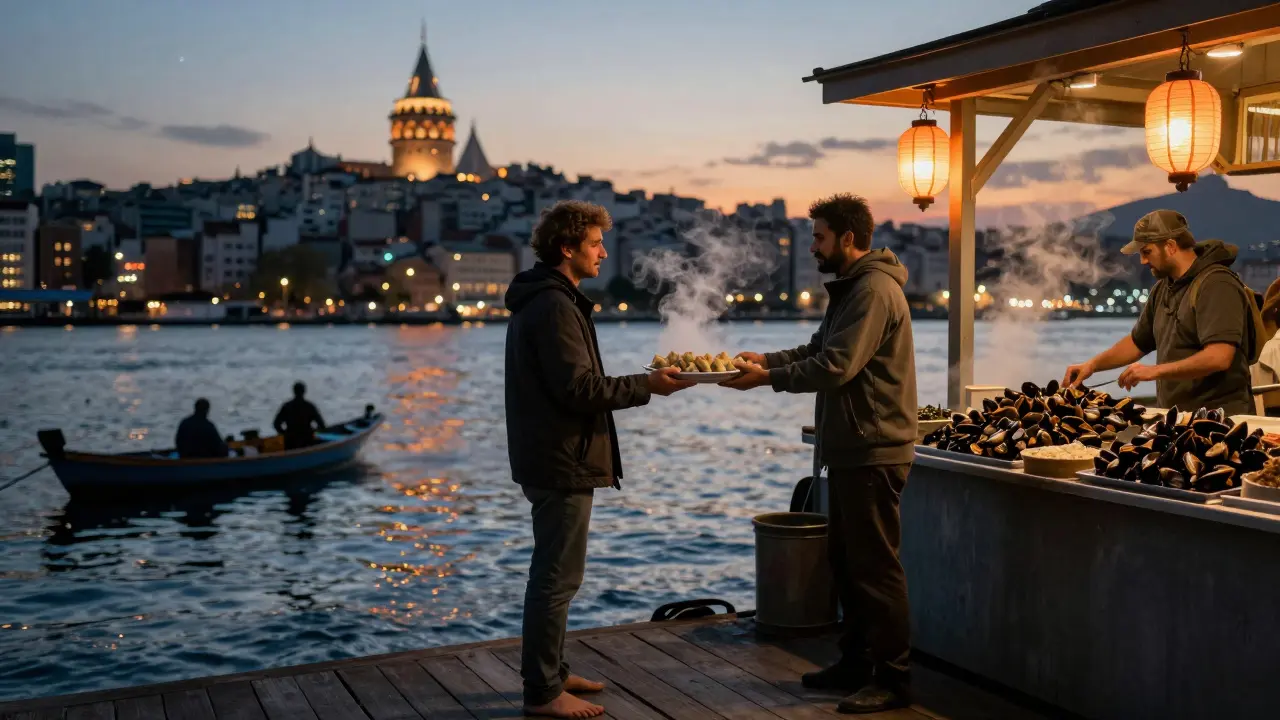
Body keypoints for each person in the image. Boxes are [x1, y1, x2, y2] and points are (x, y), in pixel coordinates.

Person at [721, 193, 917, 714]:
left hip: (875, 447)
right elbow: (816, 349)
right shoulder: (853, 289)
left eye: (819, 237)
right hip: (854, 447)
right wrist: (766, 359)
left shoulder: (872, 291)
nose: (812, 246)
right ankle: (855, 663)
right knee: (848, 563)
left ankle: (893, 680)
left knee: (876, 569)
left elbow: (836, 366)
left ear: (847, 239)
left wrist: (769, 379)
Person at [504, 199, 693, 719]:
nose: (603, 252)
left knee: (560, 575)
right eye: (594, 243)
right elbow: (580, 389)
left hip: (550, 454)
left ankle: (555, 672)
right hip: (560, 459)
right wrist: (647, 386)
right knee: (555, 578)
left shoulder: (547, 299)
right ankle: (541, 693)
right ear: (568, 249)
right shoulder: (554, 306)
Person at [1063, 210, 1263, 416]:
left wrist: (1153, 371)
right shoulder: (1162, 289)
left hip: (1222, 419)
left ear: (1170, 246)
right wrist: (1092, 365)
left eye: (1146, 252)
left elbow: (1219, 357)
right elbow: (1137, 342)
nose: (1142, 261)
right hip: (1178, 418)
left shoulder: (1217, 284)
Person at [273, 382, 326, 450]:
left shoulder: (287, 406)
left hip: (290, 442)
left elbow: (276, 424)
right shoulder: (309, 406)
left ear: (293, 391)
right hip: (307, 440)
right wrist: (315, 433)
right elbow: (322, 425)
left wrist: (284, 434)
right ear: (304, 391)